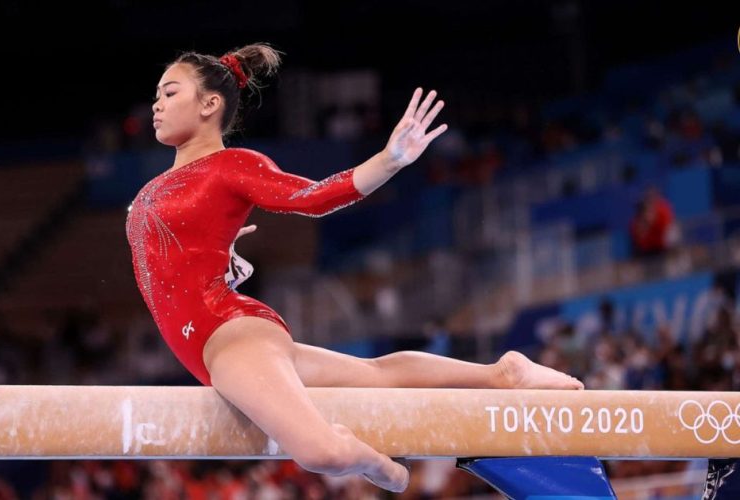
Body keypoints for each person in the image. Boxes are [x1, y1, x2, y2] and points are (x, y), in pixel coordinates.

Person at [126, 42, 584, 493]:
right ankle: (502, 375)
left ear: (210, 103)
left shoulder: (231, 165)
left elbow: (312, 197)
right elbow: (178, 254)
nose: (156, 105)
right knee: (376, 374)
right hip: (218, 341)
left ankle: (384, 469)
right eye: (157, 96)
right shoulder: (160, 184)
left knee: (324, 453)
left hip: (228, 337)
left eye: (169, 93)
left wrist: (389, 159)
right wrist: (217, 254)